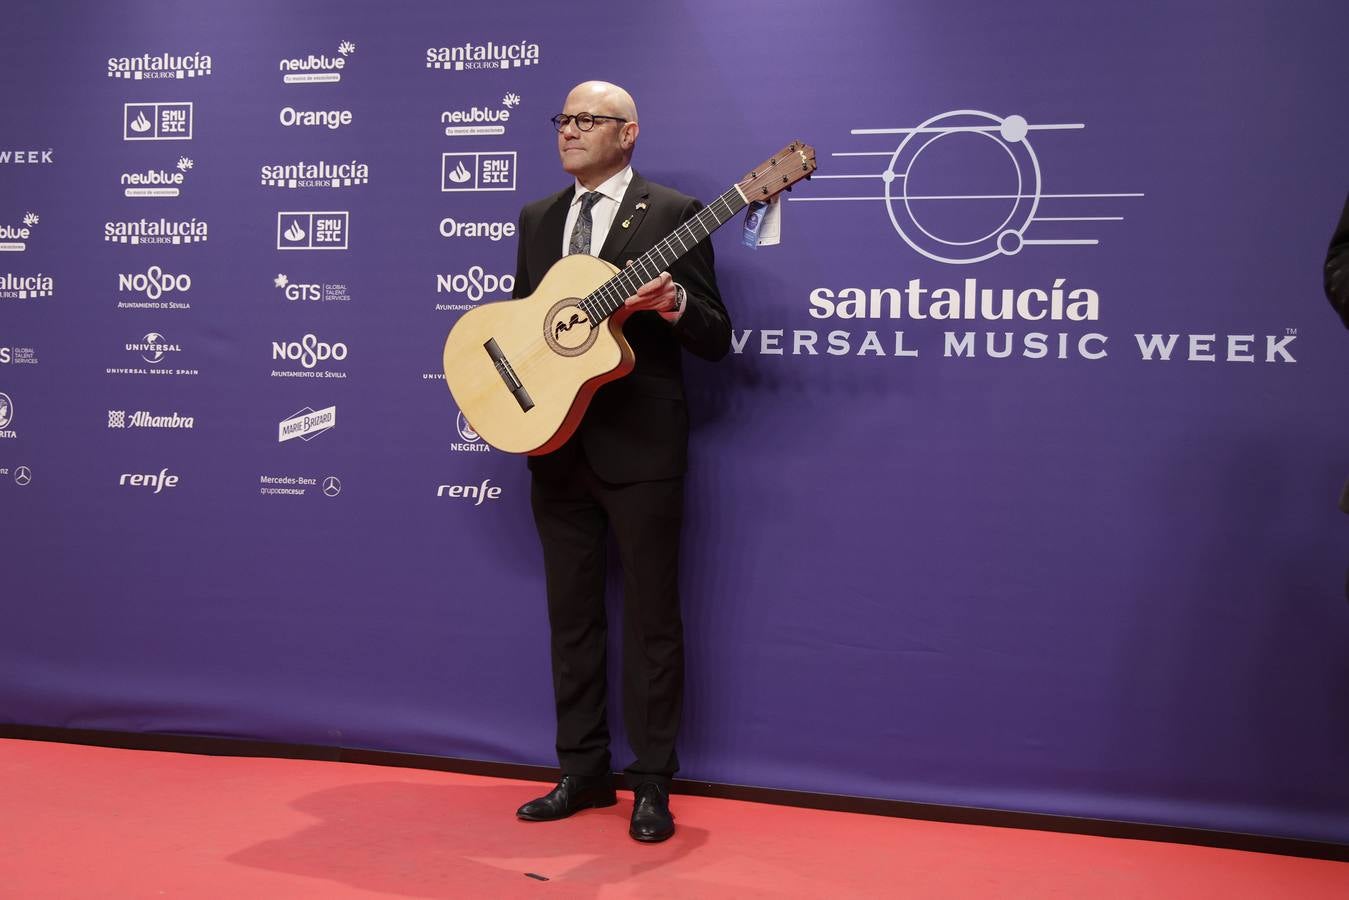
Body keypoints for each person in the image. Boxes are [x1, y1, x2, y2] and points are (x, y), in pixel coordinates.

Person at [509, 81, 731, 842]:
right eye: (562, 119)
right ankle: (580, 771)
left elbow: (714, 335)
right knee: (570, 618)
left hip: (640, 447)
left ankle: (651, 782)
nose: (568, 131)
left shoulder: (674, 216)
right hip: (555, 447)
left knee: (650, 622)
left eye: (586, 120)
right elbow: (524, 328)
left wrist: (673, 307)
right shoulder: (538, 219)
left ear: (627, 133)